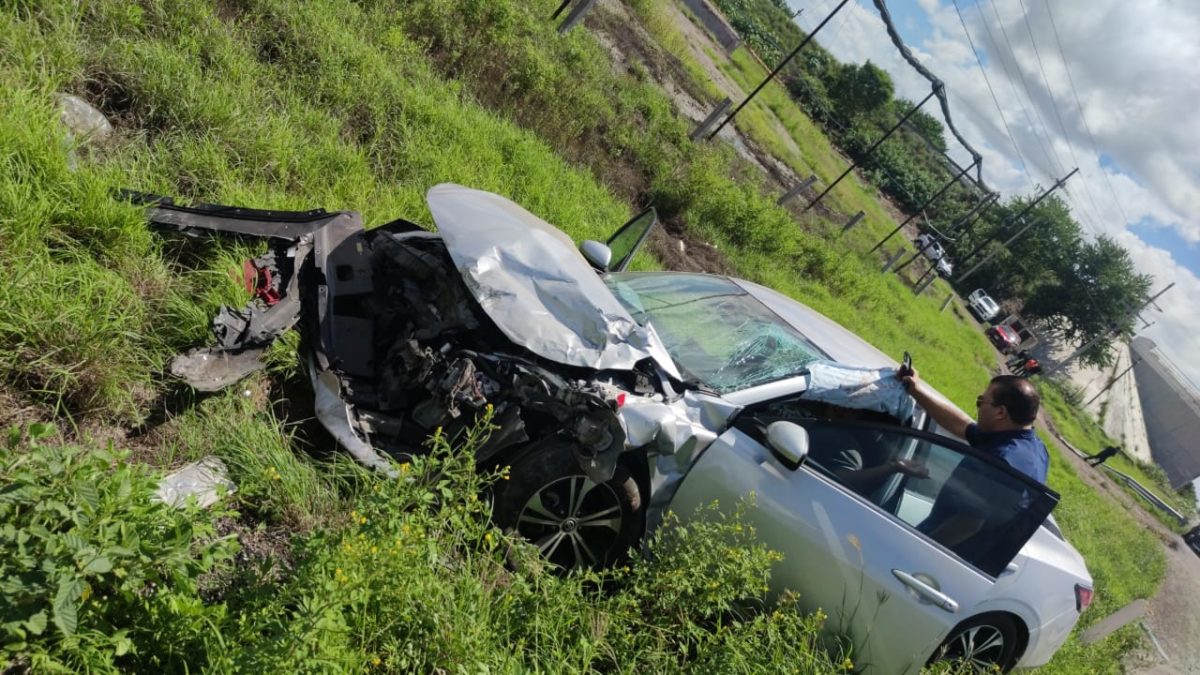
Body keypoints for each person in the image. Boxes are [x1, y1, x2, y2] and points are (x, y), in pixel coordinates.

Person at [899, 371, 1049, 484]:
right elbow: (961, 425)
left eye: (980, 402)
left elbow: (969, 523)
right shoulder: (1034, 448)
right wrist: (915, 390)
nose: (978, 408)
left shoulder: (998, 462)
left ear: (1000, 412)